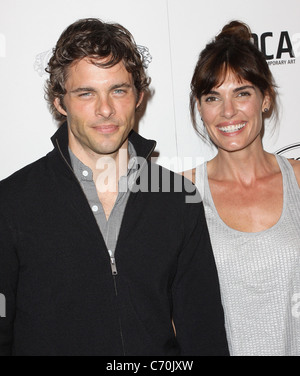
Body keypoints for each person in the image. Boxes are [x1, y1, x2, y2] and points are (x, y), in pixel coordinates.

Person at [0, 18, 229, 356]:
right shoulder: (12, 203)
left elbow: (203, 333)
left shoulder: (177, 197)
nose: (105, 109)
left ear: (138, 96)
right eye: (86, 93)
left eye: (118, 90)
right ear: (60, 103)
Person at [185, 20, 300, 356]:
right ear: (200, 108)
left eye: (242, 93)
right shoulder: (179, 191)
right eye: (212, 97)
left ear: (265, 99)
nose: (228, 112)